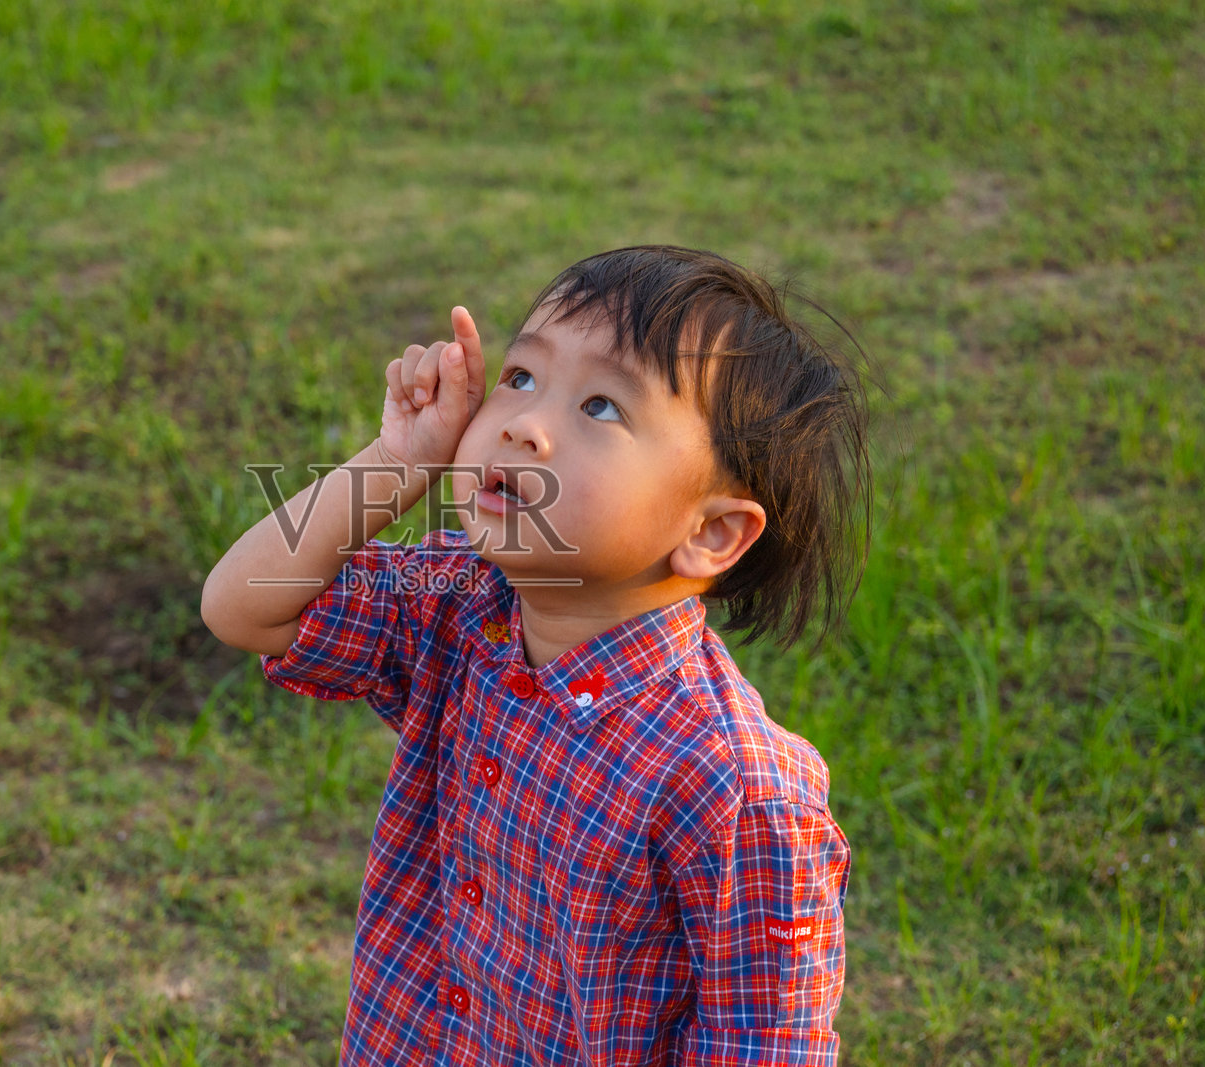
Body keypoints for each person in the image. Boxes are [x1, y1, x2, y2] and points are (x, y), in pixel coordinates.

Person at [201, 245, 871, 1066]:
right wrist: (399, 462)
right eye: (520, 376)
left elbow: (764, 1046)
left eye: (600, 407)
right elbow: (245, 606)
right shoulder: (460, 608)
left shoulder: (731, 787)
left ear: (710, 532)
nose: (524, 422)